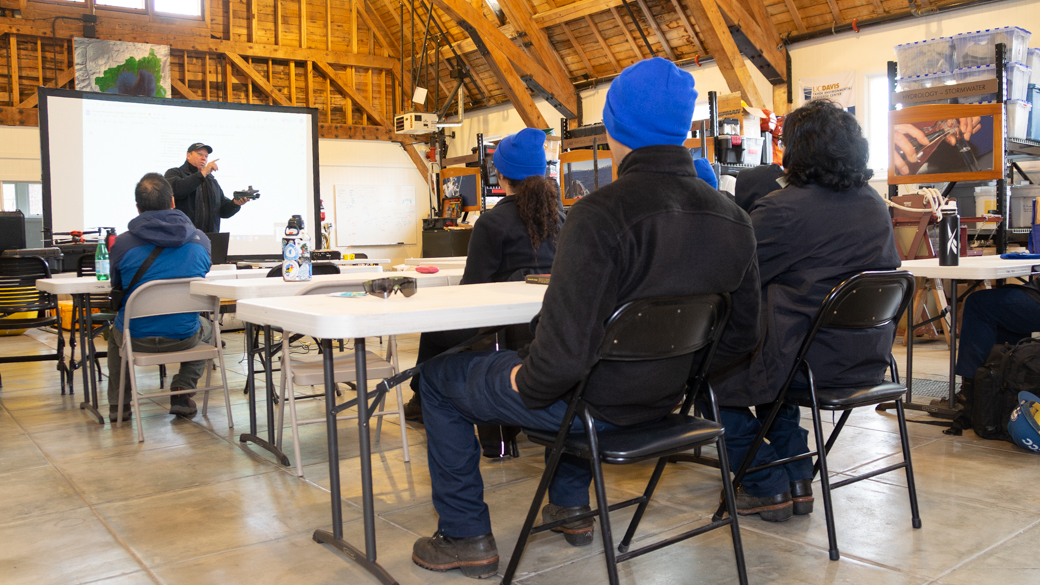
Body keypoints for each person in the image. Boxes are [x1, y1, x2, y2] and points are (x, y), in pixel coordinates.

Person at [410, 57, 761, 579]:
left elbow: (563, 357)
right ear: (684, 126)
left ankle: (464, 535)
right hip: (665, 401)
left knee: (438, 380)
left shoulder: (600, 214)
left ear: (616, 126)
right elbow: (743, 335)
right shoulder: (734, 219)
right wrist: (676, 376)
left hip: (593, 405)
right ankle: (571, 507)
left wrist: (522, 379)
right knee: (576, 376)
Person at [711, 100, 901, 522]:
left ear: (794, 150)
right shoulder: (873, 204)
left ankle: (765, 481)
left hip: (810, 363)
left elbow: (728, 276)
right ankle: (797, 477)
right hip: (868, 358)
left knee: (711, 376)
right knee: (771, 360)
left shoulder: (783, 209)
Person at [403, 128, 564, 441]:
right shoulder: (560, 218)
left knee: (436, 328)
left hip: (497, 326)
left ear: (500, 176)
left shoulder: (491, 223)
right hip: (544, 322)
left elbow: (472, 290)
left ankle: (423, 400)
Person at [107, 173, 213, 422]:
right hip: (183, 338)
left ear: (138, 208)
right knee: (208, 328)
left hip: (136, 339)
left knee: (115, 337)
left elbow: (117, 288)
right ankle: (181, 391)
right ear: (173, 202)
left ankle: (119, 406)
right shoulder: (201, 241)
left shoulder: (121, 245)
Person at [165, 142, 249, 233]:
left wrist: (234, 203)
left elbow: (222, 211)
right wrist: (203, 173)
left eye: (206, 156)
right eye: (200, 154)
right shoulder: (174, 173)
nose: (204, 158)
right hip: (183, 237)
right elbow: (178, 190)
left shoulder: (211, 180)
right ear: (188, 155)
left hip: (210, 239)